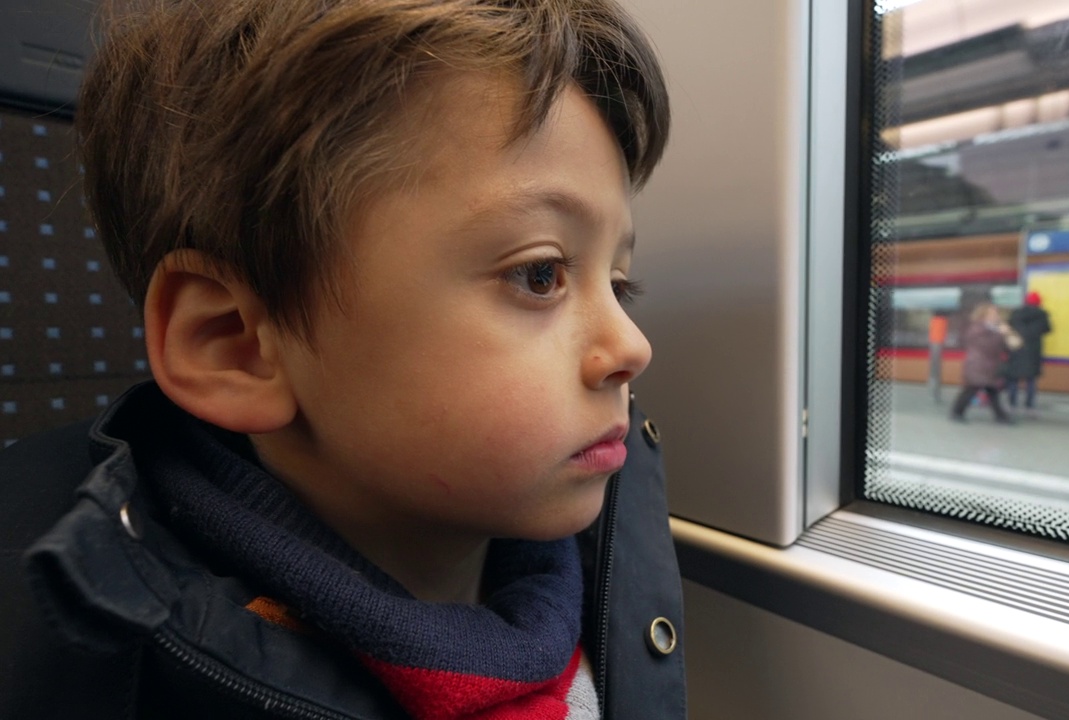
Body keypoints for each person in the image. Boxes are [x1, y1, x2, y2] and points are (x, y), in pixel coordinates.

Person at [0, 1, 686, 718]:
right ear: (235, 345)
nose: (632, 348)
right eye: (540, 274)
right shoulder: (125, 679)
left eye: (617, 283)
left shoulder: (603, 555)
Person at [950, 302, 1017, 425]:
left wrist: (1007, 337)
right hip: (977, 366)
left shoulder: (993, 328)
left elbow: (1005, 346)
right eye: (993, 313)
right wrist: (1002, 335)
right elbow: (987, 346)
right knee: (971, 390)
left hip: (988, 366)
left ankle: (1000, 416)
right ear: (983, 315)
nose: (996, 315)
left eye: (996, 313)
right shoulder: (977, 328)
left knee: (992, 391)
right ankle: (957, 412)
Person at [1004, 291, 1052, 416]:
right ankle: (1029, 407)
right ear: (1039, 302)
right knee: (1031, 380)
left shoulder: (1016, 314)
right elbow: (1048, 329)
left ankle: (1012, 404)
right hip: (1033, 351)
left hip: (1017, 349)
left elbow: (1008, 328)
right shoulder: (1042, 315)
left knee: (1013, 379)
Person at [927, 310, 949, 404]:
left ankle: (934, 393)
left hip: (936, 341)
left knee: (934, 370)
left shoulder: (936, 321)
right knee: (935, 370)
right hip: (937, 341)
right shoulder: (940, 321)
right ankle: (934, 394)